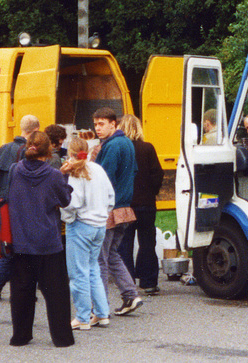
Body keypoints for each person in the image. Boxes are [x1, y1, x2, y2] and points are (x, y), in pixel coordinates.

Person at [7, 131, 74, 347]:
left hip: (20, 238)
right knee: (57, 293)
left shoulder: (15, 171)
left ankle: (21, 335)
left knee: (21, 291)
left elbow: (7, 194)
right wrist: (65, 176)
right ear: (48, 151)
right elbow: (64, 200)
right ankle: (62, 338)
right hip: (47, 240)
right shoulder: (53, 174)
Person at [91, 107, 142, 316]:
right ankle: (130, 294)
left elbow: (103, 178)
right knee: (111, 254)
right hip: (124, 208)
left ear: (114, 124)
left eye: (101, 124)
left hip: (109, 209)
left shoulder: (112, 146)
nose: (97, 128)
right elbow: (134, 171)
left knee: (100, 259)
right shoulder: (127, 143)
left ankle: (100, 308)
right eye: (95, 124)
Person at [60, 137, 114, 330]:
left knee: (78, 273)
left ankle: (83, 316)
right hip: (99, 225)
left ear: (70, 154)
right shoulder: (98, 169)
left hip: (81, 225)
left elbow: (74, 203)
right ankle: (101, 313)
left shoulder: (76, 173)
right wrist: (103, 214)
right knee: (93, 269)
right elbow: (110, 197)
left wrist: (64, 214)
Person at [0, 114, 40, 301]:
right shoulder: (29, 152)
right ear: (35, 130)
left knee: (7, 247)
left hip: (4, 205)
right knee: (26, 248)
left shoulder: (3, 149)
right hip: (23, 207)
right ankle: (25, 291)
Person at [116, 114, 164, 296]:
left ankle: (128, 284)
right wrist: (152, 191)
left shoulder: (119, 149)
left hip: (125, 204)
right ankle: (149, 281)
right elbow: (157, 174)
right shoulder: (147, 148)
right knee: (147, 243)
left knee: (125, 244)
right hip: (146, 203)